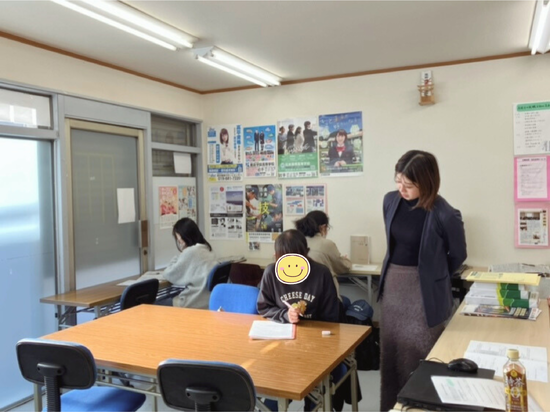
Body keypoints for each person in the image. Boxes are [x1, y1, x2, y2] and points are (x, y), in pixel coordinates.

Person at [378, 150, 467, 411]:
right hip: (394, 286)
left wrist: (434, 276)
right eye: (398, 181)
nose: (401, 189)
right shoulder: (390, 201)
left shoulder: (445, 213)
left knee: (419, 354)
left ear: (427, 182)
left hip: (423, 293)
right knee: (392, 354)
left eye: (409, 184)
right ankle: (390, 407)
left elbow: (458, 254)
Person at [257, 229, 339, 323]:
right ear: (276, 256)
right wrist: (285, 315)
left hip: (315, 327)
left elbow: (331, 314)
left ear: (306, 253)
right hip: (283, 327)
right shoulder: (271, 272)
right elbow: (264, 308)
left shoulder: (322, 273)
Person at [294, 211, 352, 300]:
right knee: (360, 304)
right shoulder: (326, 244)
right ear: (323, 227)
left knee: (346, 301)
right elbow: (344, 267)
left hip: (299, 298)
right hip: (325, 300)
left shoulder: (294, 242)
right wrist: (346, 260)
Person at [162, 218, 218, 309]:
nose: (178, 241)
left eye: (178, 237)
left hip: (192, 302)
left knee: (154, 304)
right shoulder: (207, 248)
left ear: (182, 237)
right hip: (208, 301)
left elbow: (168, 274)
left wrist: (180, 254)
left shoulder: (191, 252)